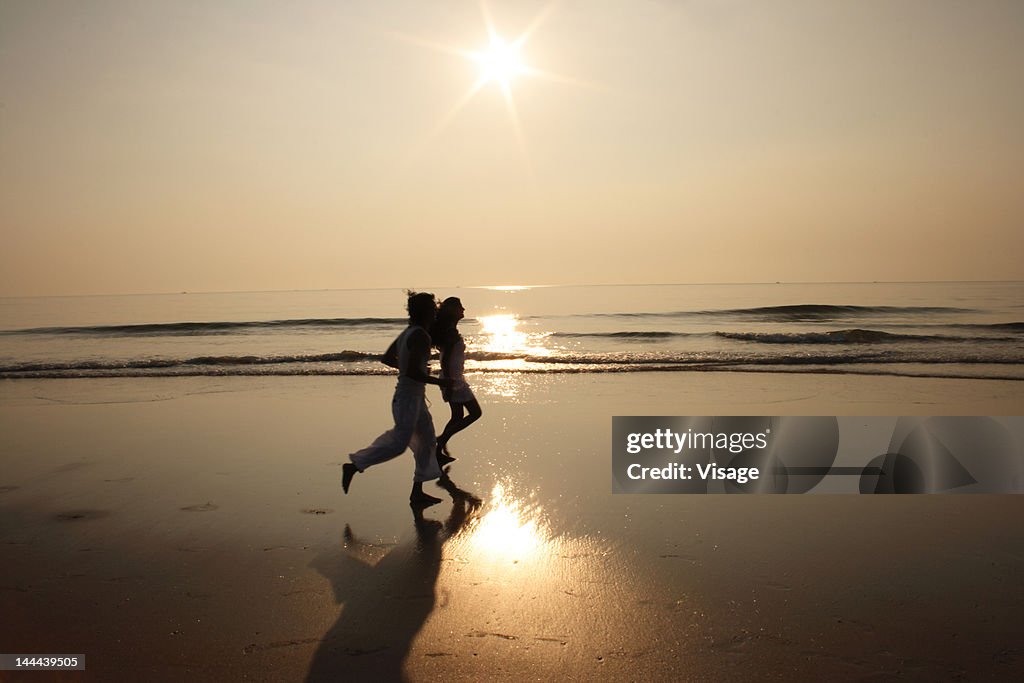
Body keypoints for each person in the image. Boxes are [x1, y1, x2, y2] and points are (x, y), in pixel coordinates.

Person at [342, 291, 450, 507]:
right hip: (408, 399)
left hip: (413, 398)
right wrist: (439, 382)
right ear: (426, 312)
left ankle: (417, 493)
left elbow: (388, 358)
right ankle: (354, 465)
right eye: (432, 308)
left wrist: (413, 369)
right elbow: (412, 373)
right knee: (400, 443)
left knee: (427, 441)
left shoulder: (409, 332)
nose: (435, 311)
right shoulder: (420, 336)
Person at [430, 297, 482, 467]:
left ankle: (437, 451)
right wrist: (450, 383)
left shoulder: (450, 330)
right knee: (475, 413)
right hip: (453, 379)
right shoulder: (450, 332)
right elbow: (445, 361)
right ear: (453, 310)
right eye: (460, 307)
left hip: (454, 378)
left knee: (458, 416)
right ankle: (441, 440)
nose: (464, 310)